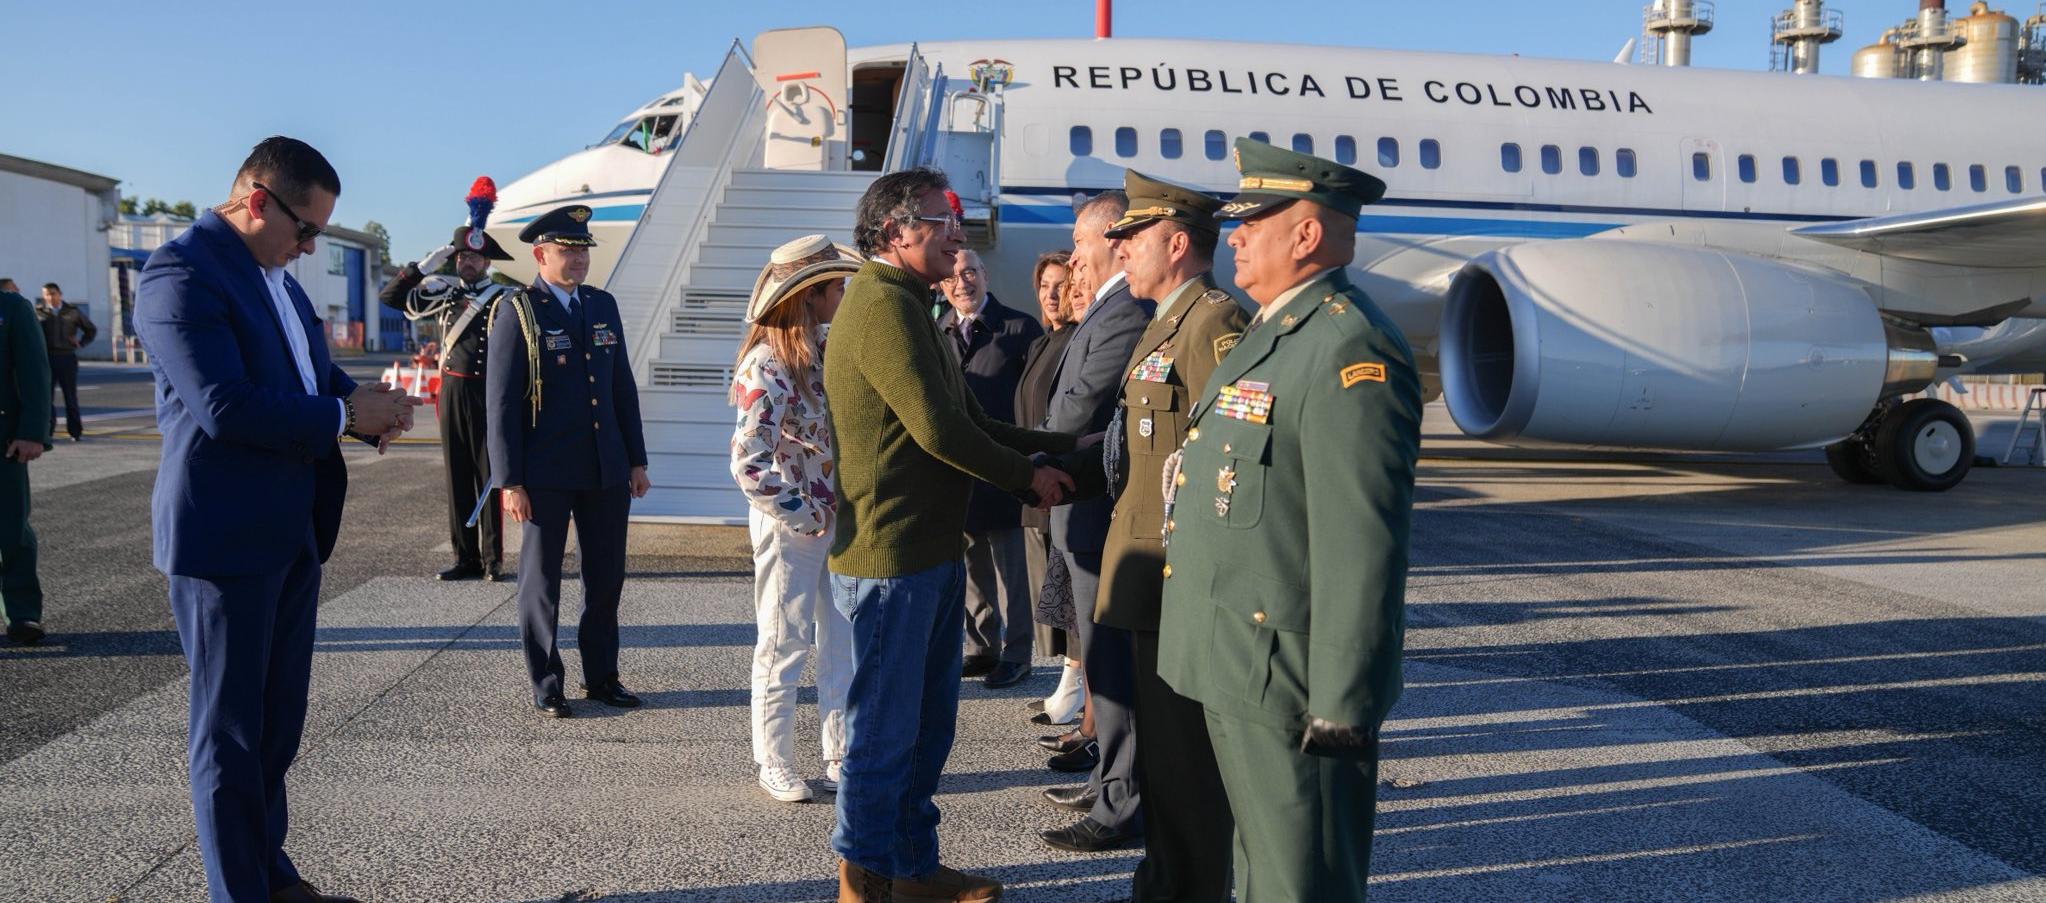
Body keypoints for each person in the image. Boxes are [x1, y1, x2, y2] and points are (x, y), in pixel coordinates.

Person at [133, 136, 418, 903]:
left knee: (277, 724)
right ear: (257, 199)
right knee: (230, 736)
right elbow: (222, 406)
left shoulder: (281, 285)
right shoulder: (181, 273)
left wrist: (369, 412)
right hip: (222, 535)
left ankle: (272, 875)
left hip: (290, 528)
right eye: (306, 229)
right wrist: (340, 411)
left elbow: (314, 382)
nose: (310, 246)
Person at [1158, 138, 1422, 902]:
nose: (1233, 235)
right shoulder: (1279, 333)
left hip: (1293, 682)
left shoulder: (1348, 346)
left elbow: (1361, 546)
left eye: (1253, 221)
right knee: (1263, 872)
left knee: (1300, 882)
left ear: (1306, 235)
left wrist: (1343, 702)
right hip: (1244, 664)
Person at [822, 166, 1077, 903]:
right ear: (895, 231)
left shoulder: (914, 305)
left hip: (927, 551)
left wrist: (1060, 448)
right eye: (940, 220)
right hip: (890, 558)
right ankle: (863, 882)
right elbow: (939, 432)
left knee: (925, 731)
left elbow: (973, 422)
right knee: (882, 737)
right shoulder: (880, 306)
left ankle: (910, 869)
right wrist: (1028, 478)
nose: (955, 232)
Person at [1054, 170, 1249, 898]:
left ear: (1175, 242)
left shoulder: (1212, 324)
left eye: (1131, 238)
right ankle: (1165, 877)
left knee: (1186, 762)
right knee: (1164, 755)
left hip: (1178, 578)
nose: (1119, 250)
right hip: (1142, 570)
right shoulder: (1165, 320)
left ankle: (1186, 883)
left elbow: (1232, 466)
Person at [486, 204, 651, 719]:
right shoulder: (519, 312)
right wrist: (510, 480)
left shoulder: (601, 306)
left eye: (583, 251)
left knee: (606, 578)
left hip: (605, 468)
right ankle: (548, 682)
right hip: (546, 474)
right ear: (540, 255)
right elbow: (503, 402)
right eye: (568, 251)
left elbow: (620, 387)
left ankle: (603, 677)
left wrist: (636, 460)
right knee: (542, 582)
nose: (579, 260)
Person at [1039, 190, 1153, 854]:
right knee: (1101, 665)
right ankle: (1110, 778)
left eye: (1080, 240)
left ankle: (1121, 798)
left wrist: (1018, 460)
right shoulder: (1108, 307)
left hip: (1097, 514)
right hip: (1078, 511)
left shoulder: (1125, 312)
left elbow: (1079, 409)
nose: (1074, 251)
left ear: (1110, 238)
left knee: (1113, 666)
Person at [730, 234, 862, 803]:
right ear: (808, 296)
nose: (842, 294)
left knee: (840, 643)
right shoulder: (767, 365)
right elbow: (748, 462)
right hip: (792, 523)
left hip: (836, 518)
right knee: (784, 641)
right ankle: (774, 759)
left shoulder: (827, 350)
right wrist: (804, 513)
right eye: (835, 287)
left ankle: (839, 753)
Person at [380, 177, 517, 583]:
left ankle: (493, 560)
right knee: (456, 476)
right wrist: (423, 266)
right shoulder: (443, 293)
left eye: (474, 259)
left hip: (488, 391)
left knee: (488, 475)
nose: (467, 264)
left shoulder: (505, 297)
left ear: (487, 261)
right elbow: (391, 299)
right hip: (452, 390)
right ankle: (466, 558)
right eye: (461, 258)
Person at [937, 249, 1044, 689]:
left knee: (1012, 571)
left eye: (970, 273)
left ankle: (1018, 653)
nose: (962, 283)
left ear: (985, 275)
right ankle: (983, 647)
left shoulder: (1019, 328)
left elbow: (1035, 398)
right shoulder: (936, 328)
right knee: (971, 565)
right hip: (960, 467)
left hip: (1005, 466)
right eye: (953, 277)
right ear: (942, 286)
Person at [1016, 252, 1085, 723]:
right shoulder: (1045, 341)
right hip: (1034, 476)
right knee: (1051, 585)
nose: (1053, 294)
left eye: (1062, 284)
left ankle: (1075, 681)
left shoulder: (1077, 339)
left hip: (1061, 477)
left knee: (1071, 586)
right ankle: (1068, 677)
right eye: (1045, 286)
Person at [0, 280, 50, 646]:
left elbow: (35, 372)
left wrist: (33, 432)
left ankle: (22, 613)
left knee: (11, 528)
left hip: (4, 441)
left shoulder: (12, 308)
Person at [36, 282, 96, 442]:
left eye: (53, 293)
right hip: (47, 359)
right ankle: (47, 432)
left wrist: (81, 342)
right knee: (46, 398)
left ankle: (75, 432)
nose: (50, 297)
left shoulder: (72, 312)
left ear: (60, 294)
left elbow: (91, 329)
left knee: (70, 396)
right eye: (47, 294)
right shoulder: (39, 313)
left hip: (67, 358)